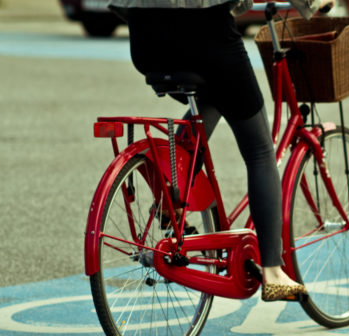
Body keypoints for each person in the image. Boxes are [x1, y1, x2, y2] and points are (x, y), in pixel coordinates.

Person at [107, 0, 328, 301]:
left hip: (145, 42)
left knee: (216, 93)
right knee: (260, 150)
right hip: (206, 34)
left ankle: (171, 196)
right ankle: (273, 271)